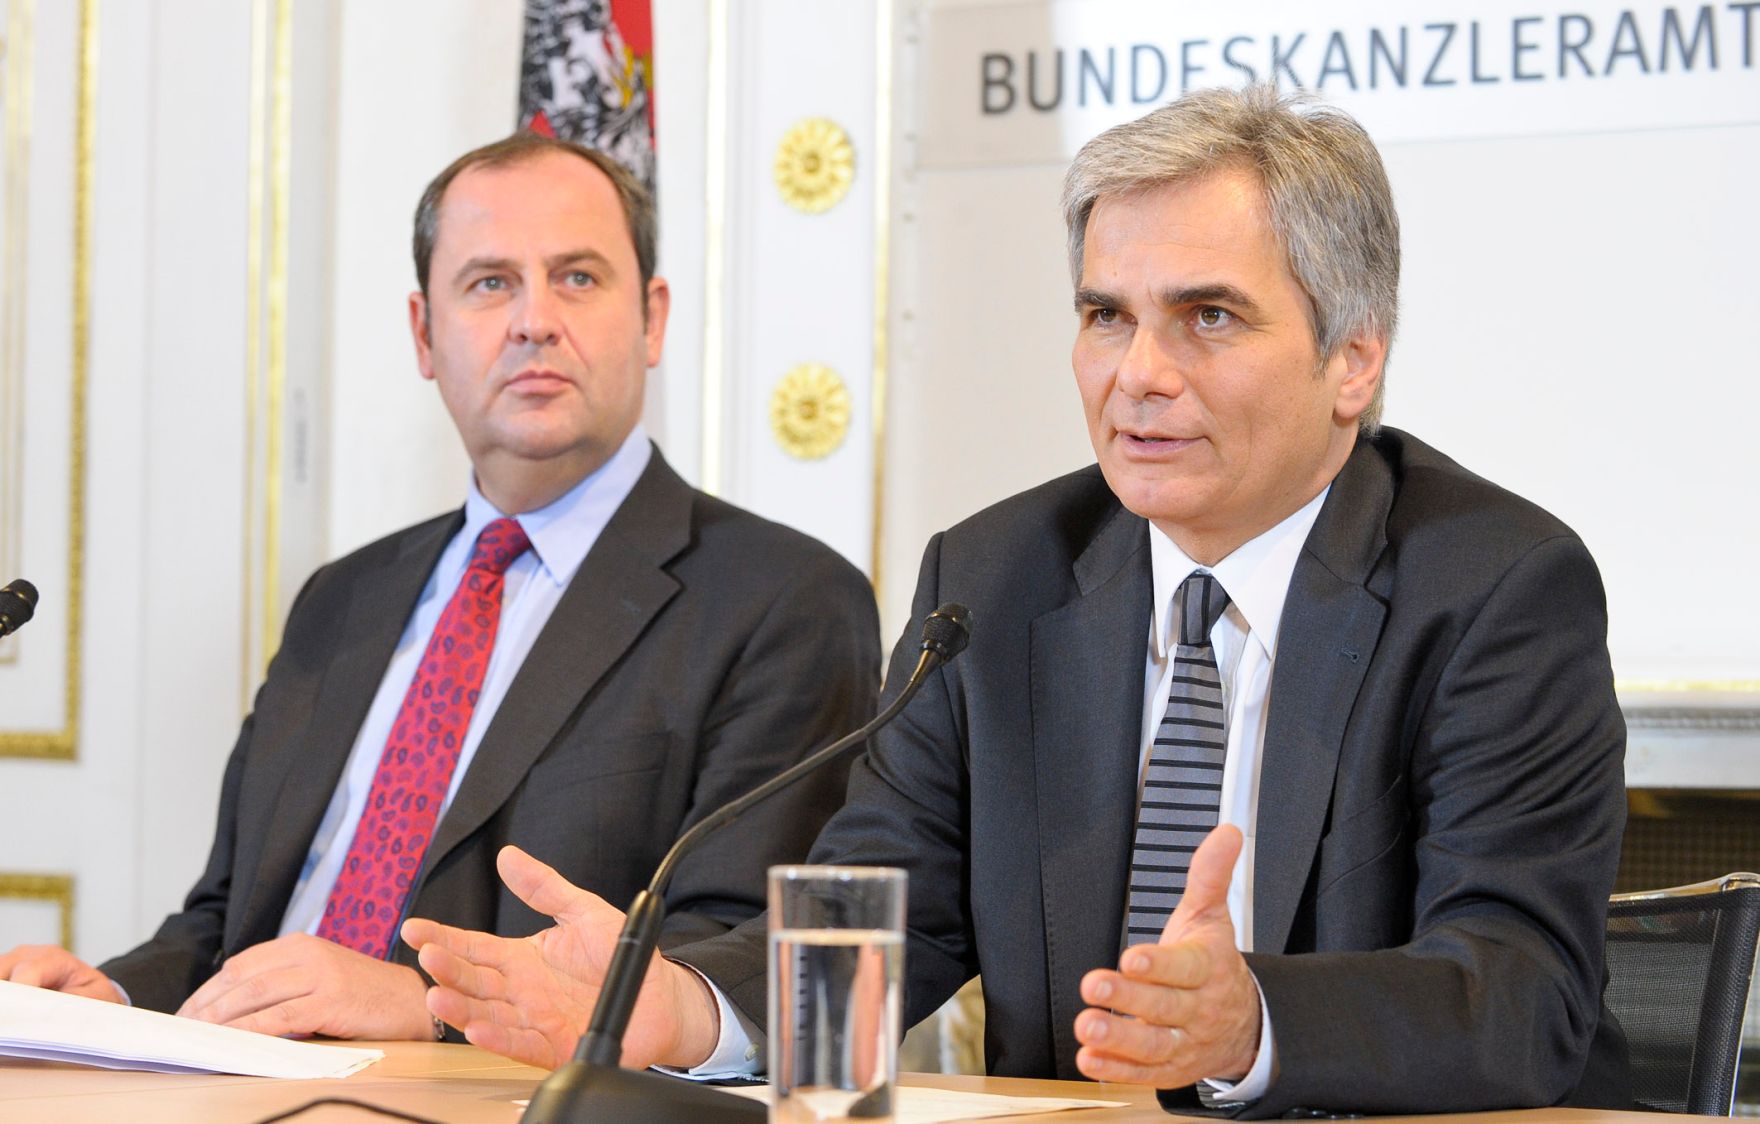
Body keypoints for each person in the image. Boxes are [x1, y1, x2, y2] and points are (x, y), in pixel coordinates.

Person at [401, 87, 1630, 1115]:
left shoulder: (1492, 588)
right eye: (1105, 316)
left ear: (1351, 355)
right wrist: (677, 1004)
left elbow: (1520, 986)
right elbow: (886, 927)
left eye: (1206, 316)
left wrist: (1247, 1018)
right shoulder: (994, 580)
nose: (1138, 374)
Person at [0, 134, 880, 1043]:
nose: (534, 320)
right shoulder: (342, 598)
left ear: (652, 320)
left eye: (578, 278)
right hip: (244, 1081)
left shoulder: (784, 601)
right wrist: (110, 996)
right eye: (490, 283)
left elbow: (734, 961)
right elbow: (226, 922)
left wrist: (427, 1006)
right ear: (425, 334)